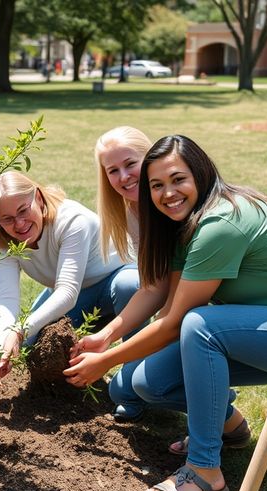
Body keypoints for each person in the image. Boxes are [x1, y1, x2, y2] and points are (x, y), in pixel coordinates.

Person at [63, 135, 267, 491]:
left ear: (200, 174)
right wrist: (106, 336)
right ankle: (226, 428)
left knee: (201, 326)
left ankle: (203, 471)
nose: (168, 193)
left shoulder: (221, 222)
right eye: (157, 186)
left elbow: (176, 322)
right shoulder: (186, 223)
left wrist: (108, 360)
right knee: (150, 382)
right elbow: (159, 296)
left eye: (178, 179)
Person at [0, 171, 142, 388]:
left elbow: (67, 293)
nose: (19, 224)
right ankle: (67, 389)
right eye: (8, 219)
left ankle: (133, 375)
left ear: (38, 198)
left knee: (129, 286)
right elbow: (6, 299)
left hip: (113, 282)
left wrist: (18, 331)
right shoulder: (3, 243)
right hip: (77, 294)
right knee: (31, 343)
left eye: (23, 210)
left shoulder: (71, 220)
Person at [94, 126, 171, 420]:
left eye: (131, 164)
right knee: (120, 390)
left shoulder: (172, 202)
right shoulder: (131, 212)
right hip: (172, 304)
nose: (123, 177)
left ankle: (221, 415)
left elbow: (176, 298)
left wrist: (107, 357)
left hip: (201, 309)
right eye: (113, 170)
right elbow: (154, 285)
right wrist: (106, 336)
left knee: (144, 383)